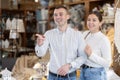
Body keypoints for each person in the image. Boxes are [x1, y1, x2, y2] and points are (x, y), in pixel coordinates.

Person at [35, 6, 87, 80]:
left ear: (67, 16)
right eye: (55, 15)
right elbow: (40, 54)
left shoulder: (77, 35)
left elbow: (83, 57)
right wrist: (39, 45)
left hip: (70, 77)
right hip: (53, 77)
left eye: (61, 14)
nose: (58, 17)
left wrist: (70, 65)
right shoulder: (49, 34)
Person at [80, 11, 112, 80]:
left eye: (94, 20)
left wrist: (91, 55)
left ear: (100, 23)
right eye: (88, 20)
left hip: (96, 74)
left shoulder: (104, 39)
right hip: (83, 70)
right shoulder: (85, 34)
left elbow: (107, 63)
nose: (90, 22)